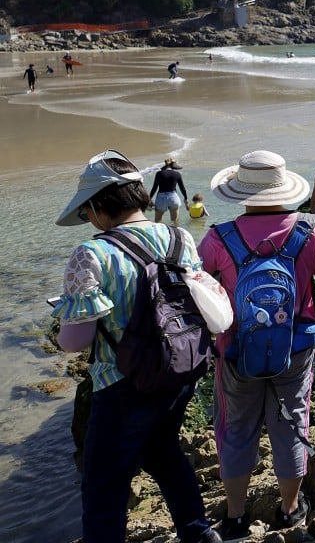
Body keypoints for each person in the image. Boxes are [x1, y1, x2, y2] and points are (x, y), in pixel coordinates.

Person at [51, 150, 220, 543]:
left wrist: (63, 325)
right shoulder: (180, 238)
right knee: (163, 452)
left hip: (122, 383)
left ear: (98, 205)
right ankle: (199, 533)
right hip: (180, 369)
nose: (88, 218)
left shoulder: (91, 253)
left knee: (103, 486)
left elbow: (76, 341)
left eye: (87, 210)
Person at [199, 150, 315, 540]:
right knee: (291, 422)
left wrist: (209, 337)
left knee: (236, 428)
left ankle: (235, 516)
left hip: (236, 351)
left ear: (240, 193)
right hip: (295, 348)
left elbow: (195, 288)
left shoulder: (218, 237)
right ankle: (290, 510)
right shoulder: (312, 229)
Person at [150, 157, 188, 224]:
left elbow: (154, 188)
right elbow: (182, 188)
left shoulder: (159, 173)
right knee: (174, 222)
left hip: (161, 198)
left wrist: (149, 199)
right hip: (173, 198)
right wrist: (185, 198)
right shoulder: (177, 174)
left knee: (158, 222)